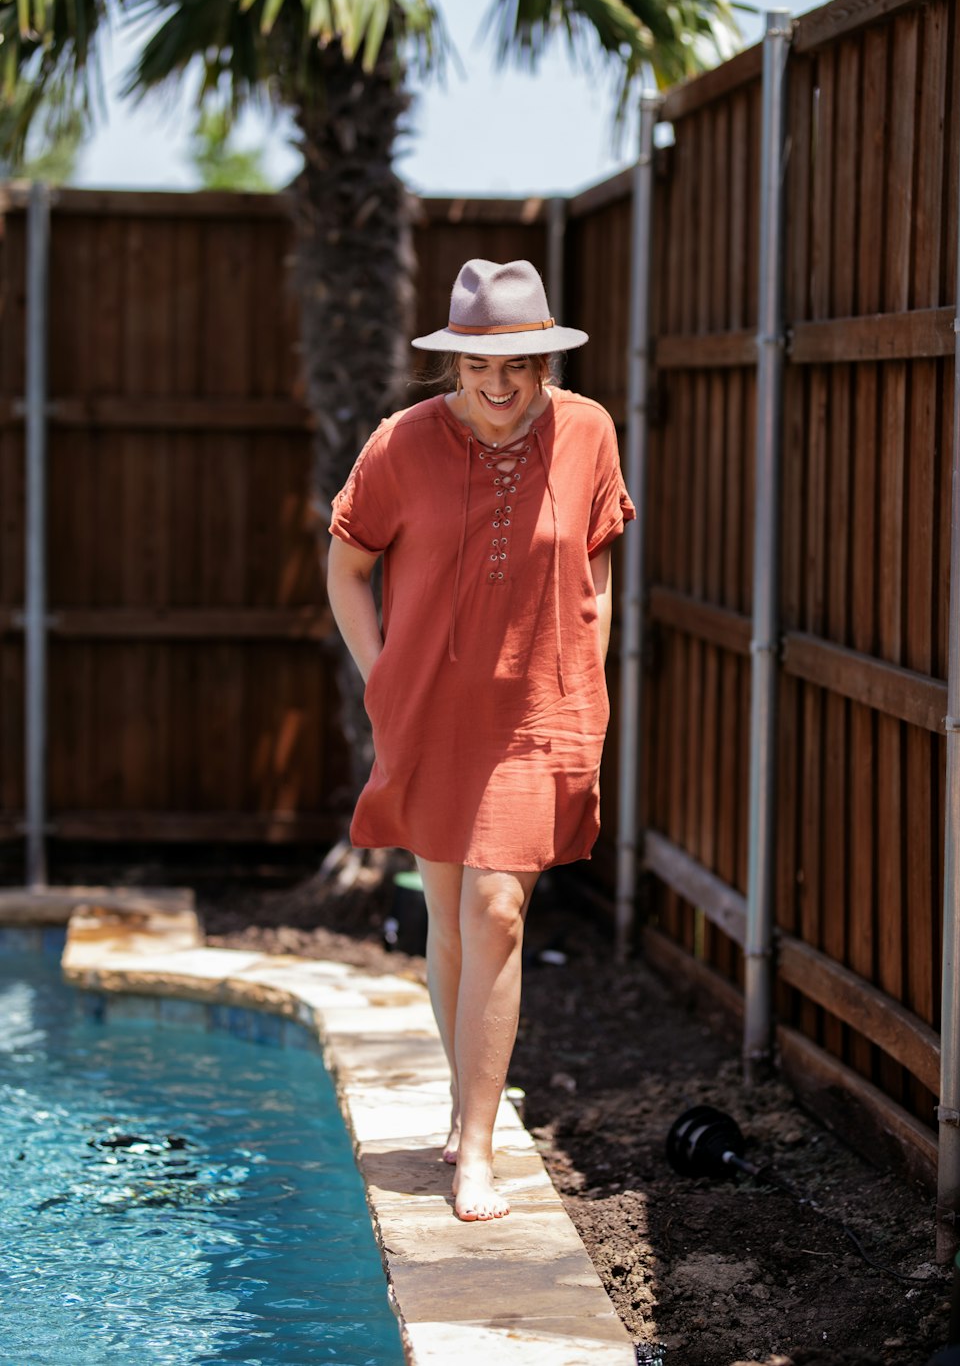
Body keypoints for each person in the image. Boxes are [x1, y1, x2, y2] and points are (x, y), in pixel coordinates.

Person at [326, 258, 634, 1222]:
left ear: (547, 358)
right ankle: (465, 1114)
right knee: (452, 914)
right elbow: (346, 569)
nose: (499, 387)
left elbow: (598, 567)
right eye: (477, 368)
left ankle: (479, 1151)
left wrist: (590, 680)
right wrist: (382, 677)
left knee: (498, 912)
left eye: (520, 366)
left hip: (540, 714)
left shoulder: (589, 431)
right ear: (452, 364)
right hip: (430, 711)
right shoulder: (399, 444)